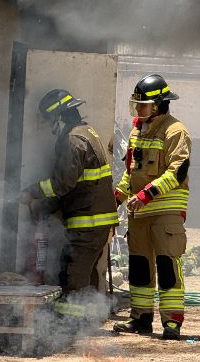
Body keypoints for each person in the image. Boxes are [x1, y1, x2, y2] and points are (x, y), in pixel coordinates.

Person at [18, 89, 118, 315]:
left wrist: (31, 193)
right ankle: (87, 323)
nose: (51, 125)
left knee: (74, 279)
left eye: (51, 119)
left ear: (60, 116)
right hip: (95, 221)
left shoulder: (73, 140)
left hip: (88, 221)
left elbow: (61, 184)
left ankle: (69, 329)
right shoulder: (87, 132)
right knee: (85, 275)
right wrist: (47, 208)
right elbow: (74, 184)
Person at [112, 74, 191, 340]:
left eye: (142, 105)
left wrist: (147, 194)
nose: (137, 109)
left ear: (158, 105)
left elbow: (177, 172)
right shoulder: (137, 131)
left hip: (165, 211)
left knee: (167, 266)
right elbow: (131, 171)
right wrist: (118, 196)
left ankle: (172, 323)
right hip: (139, 213)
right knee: (139, 266)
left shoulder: (175, 131)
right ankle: (141, 318)